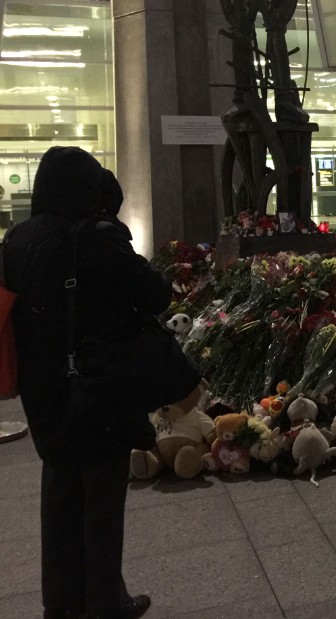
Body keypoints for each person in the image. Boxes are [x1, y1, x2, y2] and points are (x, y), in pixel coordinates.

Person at [3, 147, 166, 618]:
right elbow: (152, 293)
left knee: (59, 497)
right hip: (96, 388)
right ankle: (105, 603)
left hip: (42, 391)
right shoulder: (95, 236)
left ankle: (62, 605)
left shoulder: (18, 239)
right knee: (101, 500)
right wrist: (110, 218)